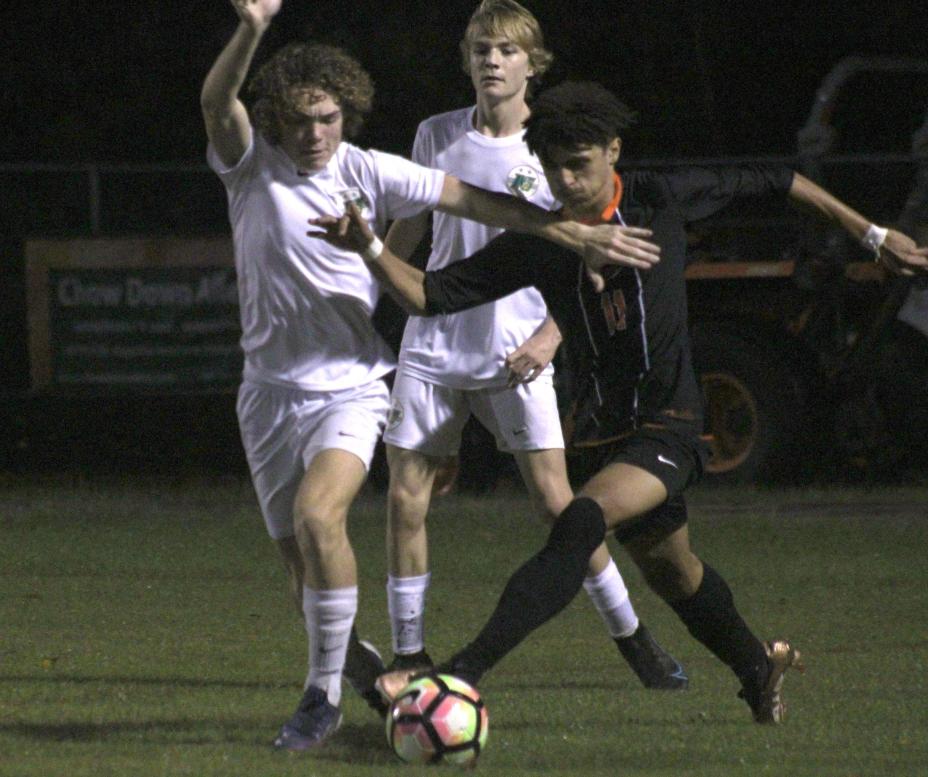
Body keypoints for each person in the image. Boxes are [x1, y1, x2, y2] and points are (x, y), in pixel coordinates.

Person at [312, 81, 928, 725]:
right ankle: (758, 665)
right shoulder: (542, 238)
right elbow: (429, 296)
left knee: (580, 522)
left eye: (580, 163)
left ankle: (456, 677)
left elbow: (775, 179)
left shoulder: (659, 197)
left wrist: (873, 234)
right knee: (674, 574)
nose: (565, 180)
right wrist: (368, 245)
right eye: (553, 166)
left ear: (613, 151)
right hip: (595, 430)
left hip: (668, 422)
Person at [201, 0, 660, 751]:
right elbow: (216, 101)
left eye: (330, 117)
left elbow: (482, 203)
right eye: (302, 121)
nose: (318, 134)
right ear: (276, 122)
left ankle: (318, 698)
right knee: (299, 567)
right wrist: (251, 28)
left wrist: (576, 234)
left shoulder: (368, 171)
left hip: (350, 384)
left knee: (324, 519)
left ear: (346, 114)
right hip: (266, 394)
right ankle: (353, 663)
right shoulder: (250, 167)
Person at [379, 0, 686, 690]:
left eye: (507, 50)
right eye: (482, 48)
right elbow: (407, 230)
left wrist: (553, 333)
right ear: (466, 58)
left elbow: (585, 250)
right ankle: (409, 654)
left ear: (532, 63)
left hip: (516, 344)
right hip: (432, 343)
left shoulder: (547, 147)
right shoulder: (435, 133)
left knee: (559, 504)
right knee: (405, 498)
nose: (493, 60)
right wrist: (381, 309)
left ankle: (634, 638)